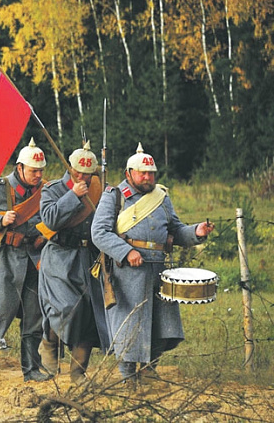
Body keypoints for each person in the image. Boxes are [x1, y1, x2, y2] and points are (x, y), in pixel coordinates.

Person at [91, 143, 214, 387]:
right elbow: (99, 232)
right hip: (128, 272)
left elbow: (175, 230)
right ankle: (128, 377)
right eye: (142, 173)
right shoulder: (114, 196)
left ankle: (149, 369)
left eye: (151, 173)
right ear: (129, 173)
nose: (147, 177)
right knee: (129, 324)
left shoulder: (161, 197)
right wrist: (126, 252)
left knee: (161, 323)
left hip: (158, 268)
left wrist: (196, 232)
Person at [0, 138, 51, 382]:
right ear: (20, 168)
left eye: (41, 171)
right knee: (0, 312)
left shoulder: (45, 190)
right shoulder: (0, 188)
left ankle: (31, 370)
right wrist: (0, 220)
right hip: (5, 258)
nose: (38, 175)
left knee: (34, 314)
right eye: (33, 171)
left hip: (34, 258)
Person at [38, 141, 110, 385]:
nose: (83, 177)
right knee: (65, 308)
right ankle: (49, 342)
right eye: (78, 172)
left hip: (89, 259)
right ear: (69, 168)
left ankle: (78, 372)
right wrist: (72, 196)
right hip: (59, 256)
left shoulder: (102, 190)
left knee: (89, 313)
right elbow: (49, 220)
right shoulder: (53, 189)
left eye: (88, 174)